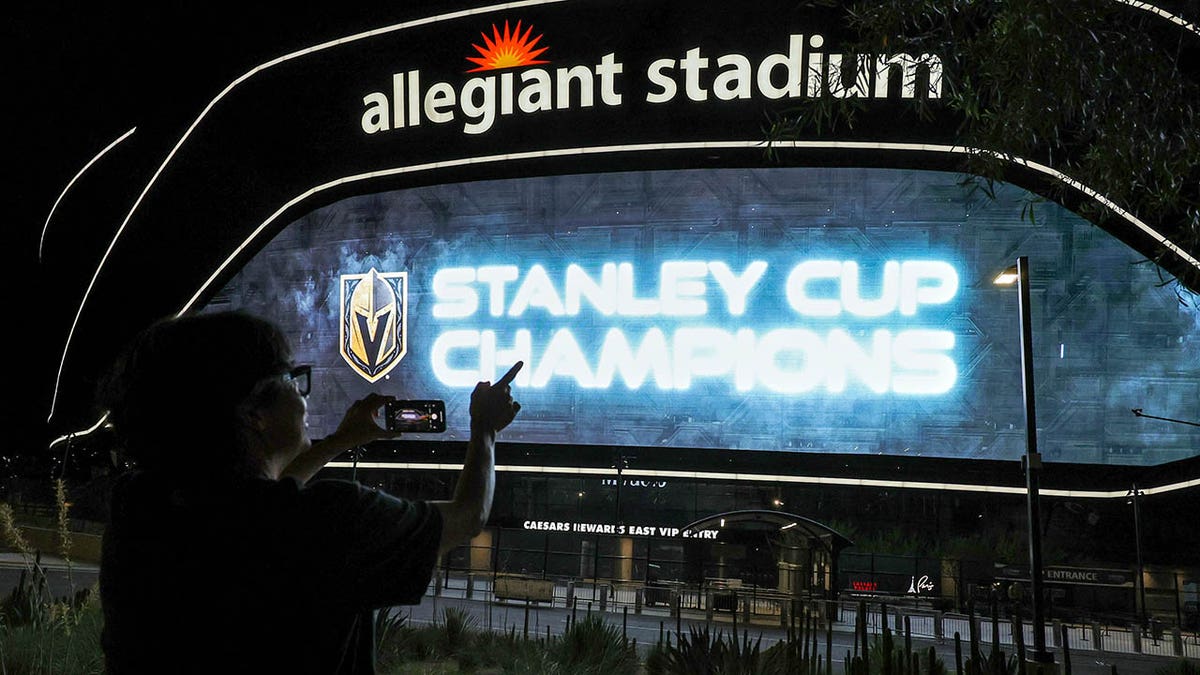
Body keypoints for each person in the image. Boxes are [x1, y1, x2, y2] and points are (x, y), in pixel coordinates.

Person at [96, 311, 521, 674]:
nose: (303, 400)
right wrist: (484, 428)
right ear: (255, 413)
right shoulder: (335, 519)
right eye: (293, 381)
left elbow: (263, 508)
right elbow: (469, 516)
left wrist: (339, 441)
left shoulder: (136, 507)